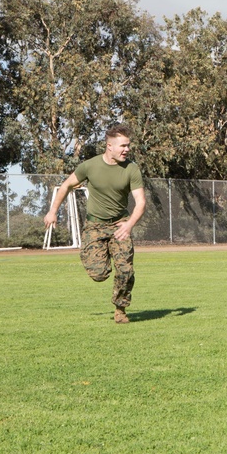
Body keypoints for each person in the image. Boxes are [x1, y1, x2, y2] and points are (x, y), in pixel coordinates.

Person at [43, 124, 146, 324]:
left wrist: (129, 224)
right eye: (123, 146)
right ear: (109, 146)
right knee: (99, 274)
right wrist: (52, 211)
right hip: (95, 226)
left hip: (120, 226)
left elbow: (141, 203)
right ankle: (96, 254)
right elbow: (66, 185)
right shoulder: (90, 166)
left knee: (126, 270)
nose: (127, 150)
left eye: (128, 146)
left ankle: (120, 309)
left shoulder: (132, 169)